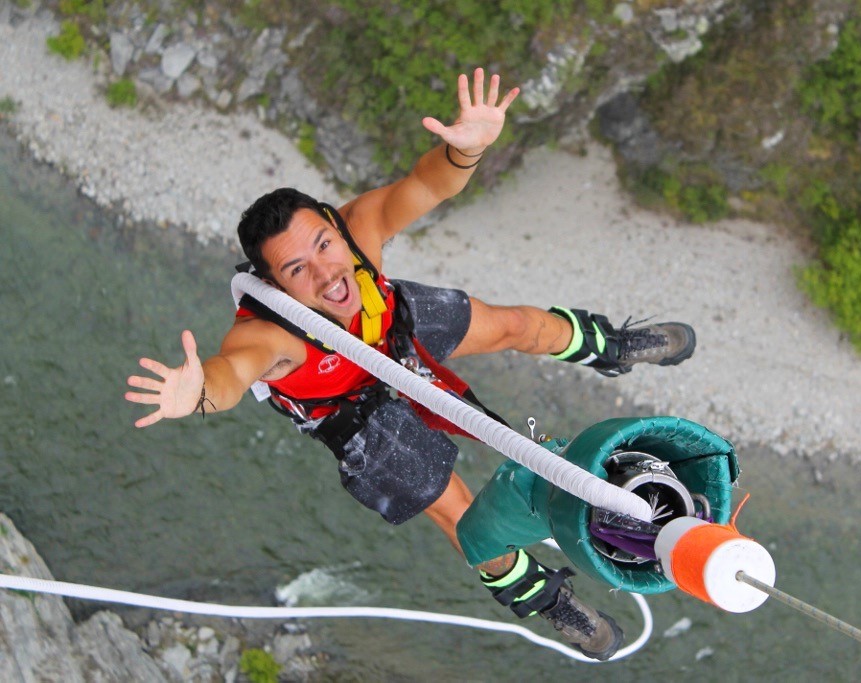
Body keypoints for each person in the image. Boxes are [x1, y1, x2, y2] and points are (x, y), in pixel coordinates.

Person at [125, 68, 696, 661]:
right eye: (298, 271)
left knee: (515, 325)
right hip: (347, 406)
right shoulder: (271, 335)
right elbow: (232, 373)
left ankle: (609, 345)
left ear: (333, 227)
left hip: (390, 327)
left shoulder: (356, 235)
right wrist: (196, 393)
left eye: (324, 245)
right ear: (274, 286)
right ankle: (541, 598)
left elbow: (427, 184)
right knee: (459, 511)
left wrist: (464, 149)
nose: (327, 274)